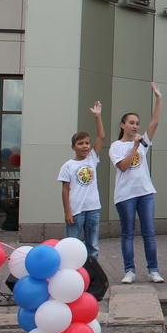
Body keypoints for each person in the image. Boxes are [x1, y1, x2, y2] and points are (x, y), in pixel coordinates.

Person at [111, 82, 163, 284]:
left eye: (137, 123)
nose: (135, 126)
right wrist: (134, 146)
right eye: (131, 123)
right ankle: (129, 271)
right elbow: (123, 166)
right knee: (128, 233)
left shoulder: (143, 142)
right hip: (125, 196)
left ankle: (153, 270)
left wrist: (158, 98)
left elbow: (155, 122)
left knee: (149, 232)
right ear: (122, 125)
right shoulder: (116, 146)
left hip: (145, 193)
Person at [58, 101, 105, 260]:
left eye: (87, 143)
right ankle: (71, 269)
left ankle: (92, 271)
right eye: (80, 143)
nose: (84, 146)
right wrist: (67, 211)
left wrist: (97, 117)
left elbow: (101, 136)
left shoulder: (92, 159)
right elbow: (65, 190)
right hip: (76, 211)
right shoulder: (68, 166)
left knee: (93, 245)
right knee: (72, 245)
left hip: (93, 208)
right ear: (73, 147)